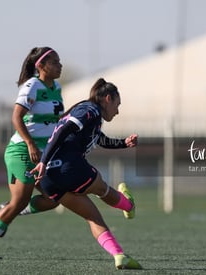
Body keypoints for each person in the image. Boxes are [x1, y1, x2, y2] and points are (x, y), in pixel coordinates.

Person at [31, 78, 142, 270]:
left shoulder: (91, 116)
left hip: (50, 179)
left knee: (93, 218)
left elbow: (101, 140)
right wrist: (43, 160)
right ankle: (128, 205)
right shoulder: (90, 110)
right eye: (117, 105)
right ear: (108, 98)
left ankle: (119, 255)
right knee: (103, 190)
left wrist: (124, 143)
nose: (117, 111)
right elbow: (63, 131)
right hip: (68, 168)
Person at [0, 47, 64, 259]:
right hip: (22, 150)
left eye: (59, 61)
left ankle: (9, 209)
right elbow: (16, 118)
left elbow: (54, 120)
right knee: (20, 200)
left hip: (42, 155)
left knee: (54, 198)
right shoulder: (32, 85)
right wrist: (30, 143)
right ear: (41, 66)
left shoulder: (57, 86)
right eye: (55, 62)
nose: (60, 65)